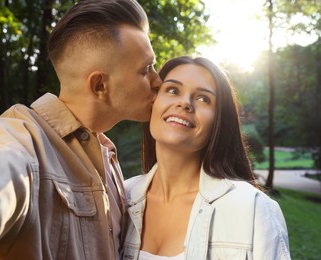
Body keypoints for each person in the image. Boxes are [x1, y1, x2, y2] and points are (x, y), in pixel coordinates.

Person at [0, 0, 162, 259]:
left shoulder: (108, 156)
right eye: (146, 70)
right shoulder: (20, 144)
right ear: (100, 85)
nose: (158, 81)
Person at [122, 56, 291, 259]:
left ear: (218, 122)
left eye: (203, 98)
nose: (184, 103)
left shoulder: (254, 209)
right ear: (153, 102)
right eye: (173, 90)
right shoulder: (119, 199)